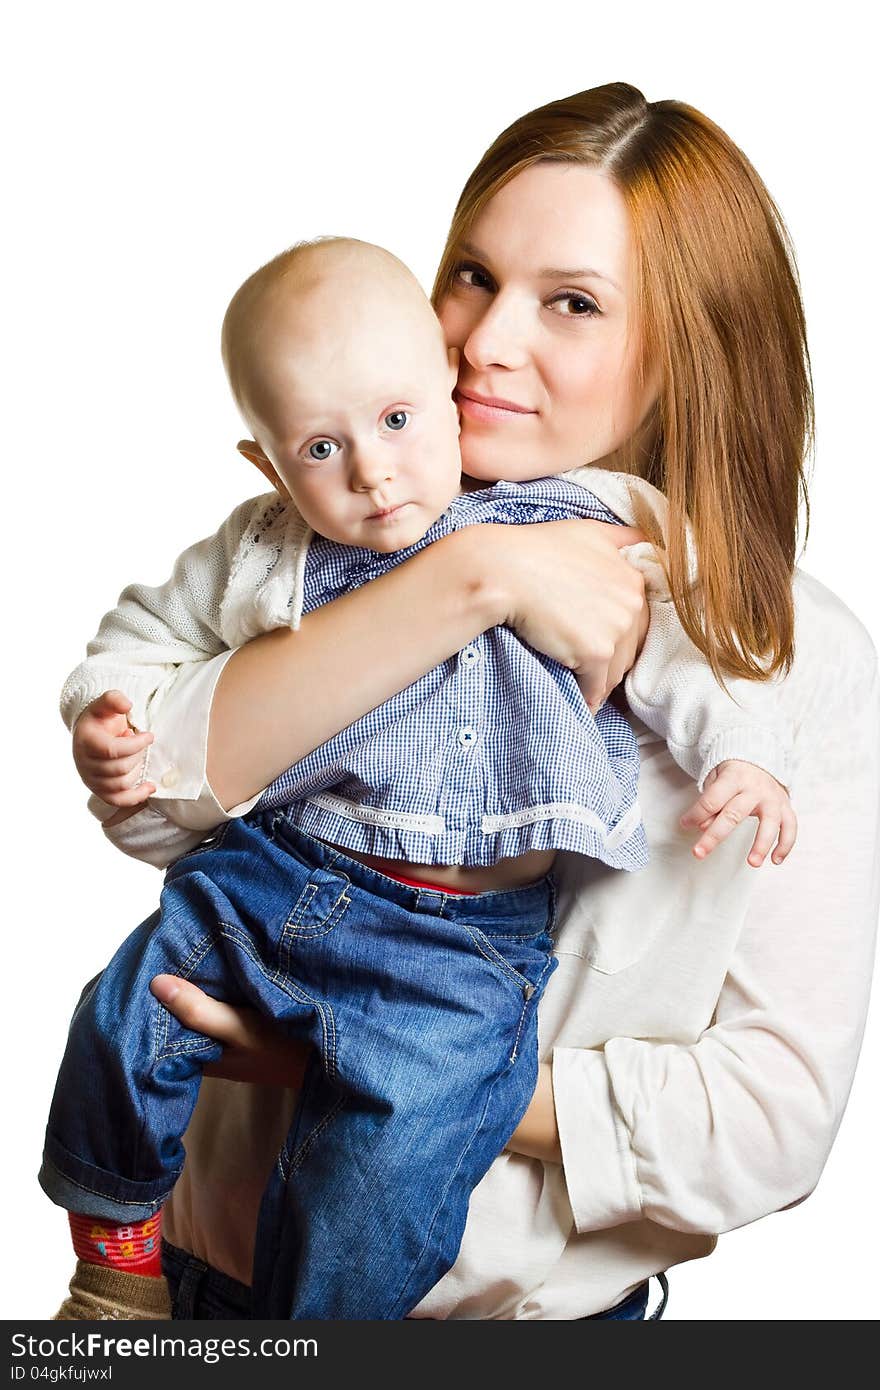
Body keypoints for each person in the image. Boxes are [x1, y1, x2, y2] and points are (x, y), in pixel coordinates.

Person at [57, 83, 880, 1321]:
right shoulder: (327, 531)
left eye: (573, 303)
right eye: (471, 276)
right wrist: (470, 578)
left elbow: (769, 1123)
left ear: (686, 349)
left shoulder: (772, 648)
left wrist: (383, 1064)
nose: (487, 341)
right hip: (189, 1294)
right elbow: (156, 807)